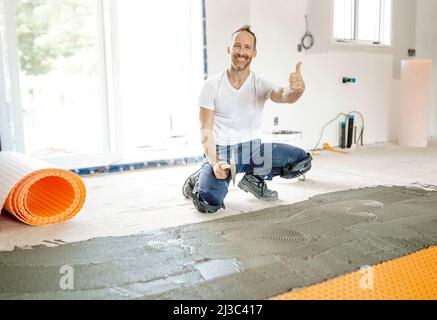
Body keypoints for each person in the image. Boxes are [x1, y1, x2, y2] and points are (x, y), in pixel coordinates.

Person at [183, 25, 313, 214]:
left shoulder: (260, 84)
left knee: (301, 161)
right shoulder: (211, 86)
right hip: (222, 152)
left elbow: (284, 96)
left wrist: (296, 90)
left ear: (254, 52)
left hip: (254, 149)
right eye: (237, 46)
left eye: (247, 47)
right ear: (229, 49)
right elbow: (205, 130)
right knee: (208, 203)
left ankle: (253, 179)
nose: (241, 52)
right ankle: (199, 178)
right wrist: (214, 162)